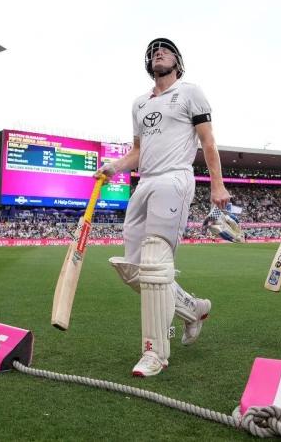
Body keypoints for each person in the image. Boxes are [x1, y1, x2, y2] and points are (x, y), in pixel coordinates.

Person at [94, 37, 230, 377]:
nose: (158, 53)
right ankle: (192, 309)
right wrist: (114, 167)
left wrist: (218, 184)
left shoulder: (190, 92)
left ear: (177, 62)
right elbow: (138, 150)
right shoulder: (139, 104)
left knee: (155, 265)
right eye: (154, 51)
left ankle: (155, 352)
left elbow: (208, 141)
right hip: (145, 182)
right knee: (132, 267)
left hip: (174, 178)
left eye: (165, 50)